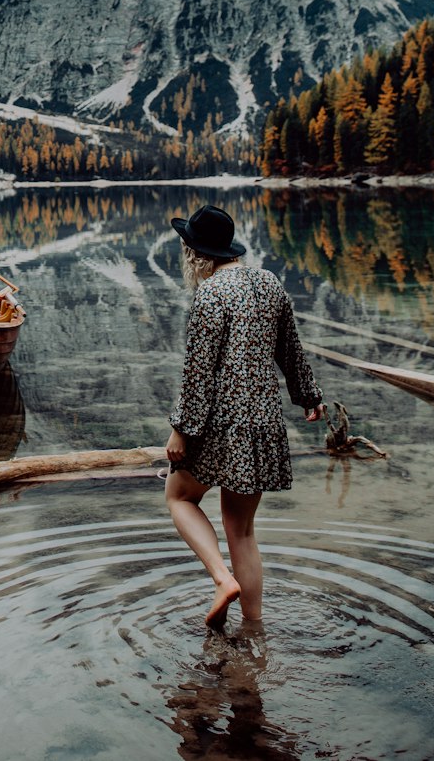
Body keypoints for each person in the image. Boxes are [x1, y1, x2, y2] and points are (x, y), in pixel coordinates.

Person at [164, 204, 324, 629]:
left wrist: (181, 430)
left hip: (222, 423)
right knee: (242, 531)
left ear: (196, 253)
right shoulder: (270, 283)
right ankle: (253, 630)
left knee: (178, 496)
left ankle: (221, 579)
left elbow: (199, 371)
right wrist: (310, 397)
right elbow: (290, 350)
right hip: (265, 423)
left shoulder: (211, 292)